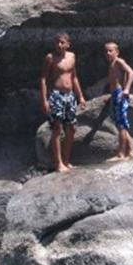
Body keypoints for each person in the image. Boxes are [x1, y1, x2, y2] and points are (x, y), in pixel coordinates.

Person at [41, 32, 86, 172]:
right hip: (56, 95)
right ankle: (58, 163)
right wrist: (44, 100)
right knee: (57, 129)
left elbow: (74, 77)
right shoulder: (50, 58)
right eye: (57, 42)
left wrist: (81, 96)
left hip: (70, 96)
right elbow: (43, 79)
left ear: (68, 44)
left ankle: (66, 160)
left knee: (71, 129)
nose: (59, 45)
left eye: (62, 42)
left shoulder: (72, 56)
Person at [104, 41, 133, 160]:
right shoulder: (111, 64)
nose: (107, 53)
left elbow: (131, 73)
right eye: (106, 51)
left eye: (110, 51)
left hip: (120, 94)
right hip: (115, 94)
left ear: (117, 52)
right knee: (120, 125)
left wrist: (127, 89)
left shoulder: (119, 61)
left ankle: (121, 154)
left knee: (122, 125)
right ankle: (131, 152)